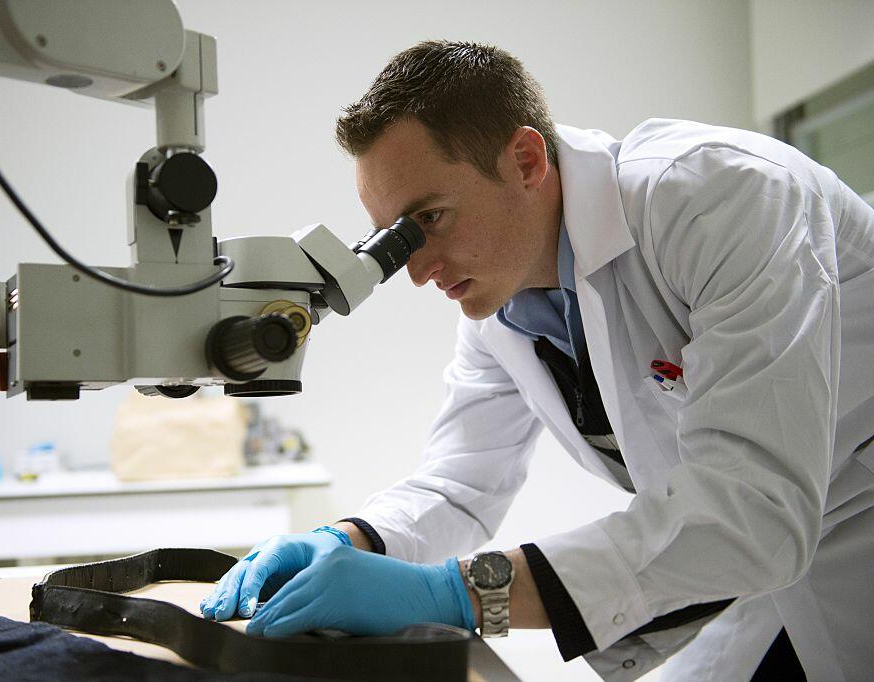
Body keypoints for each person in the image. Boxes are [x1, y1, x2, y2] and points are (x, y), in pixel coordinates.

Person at [201, 41, 874, 680]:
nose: (417, 270)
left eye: (429, 219)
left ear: (526, 160)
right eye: (396, 240)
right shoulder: (509, 307)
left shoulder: (721, 196)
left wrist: (458, 594)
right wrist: (351, 538)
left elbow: (753, 508)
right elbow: (459, 484)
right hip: (756, 553)